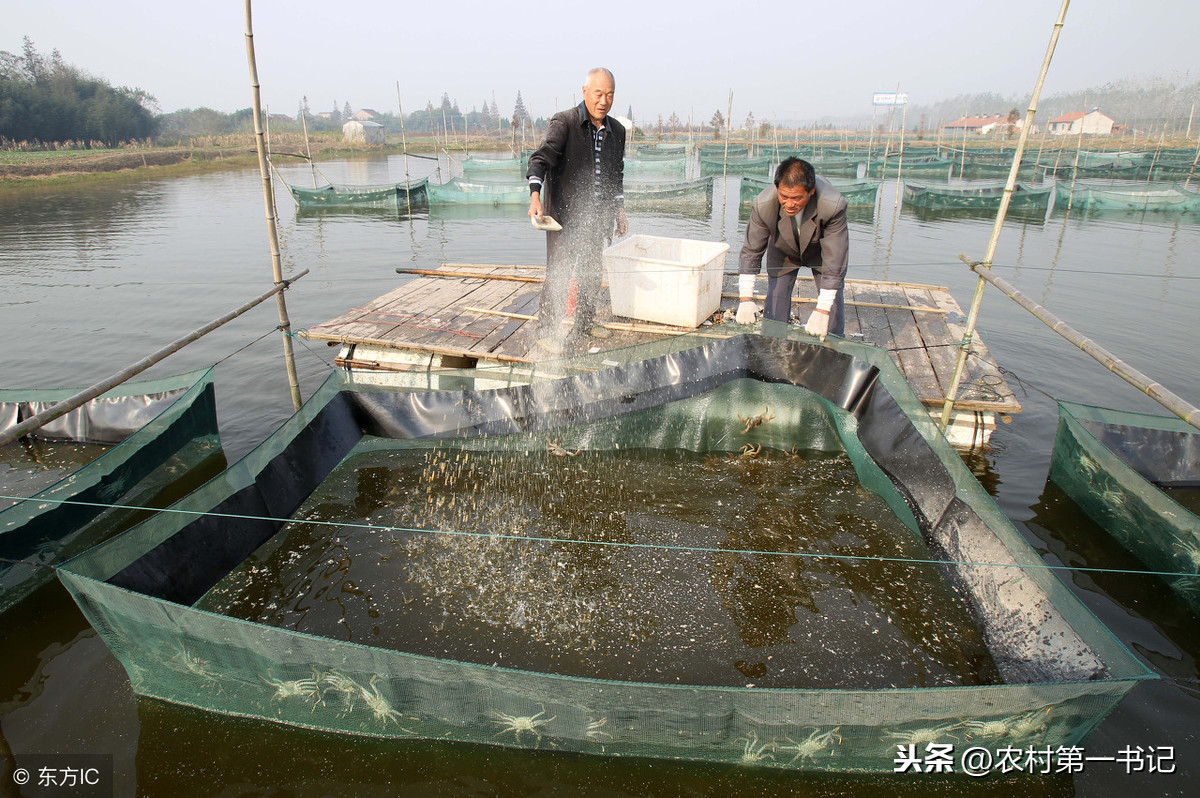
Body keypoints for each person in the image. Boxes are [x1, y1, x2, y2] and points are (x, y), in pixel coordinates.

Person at [527, 67, 629, 354]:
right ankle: (547, 331)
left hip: (597, 218)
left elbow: (616, 174)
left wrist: (619, 210)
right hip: (563, 219)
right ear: (585, 92)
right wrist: (535, 195)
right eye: (598, 93)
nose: (604, 100)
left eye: (609, 95)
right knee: (559, 274)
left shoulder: (617, 131)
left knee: (591, 272)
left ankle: (584, 324)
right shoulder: (566, 123)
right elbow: (540, 159)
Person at [736, 157, 849, 340]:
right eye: (784, 196)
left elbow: (835, 260)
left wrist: (822, 310)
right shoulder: (763, 205)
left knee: (832, 302)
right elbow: (751, 251)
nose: (789, 204)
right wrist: (745, 299)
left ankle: (834, 345)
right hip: (783, 247)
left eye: (796, 198)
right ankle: (773, 345)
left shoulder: (833, 205)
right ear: (777, 188)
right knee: (776, 297)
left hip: (821, 250)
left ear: (811, 191)